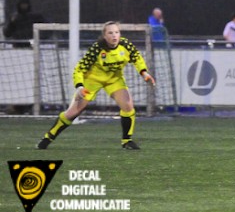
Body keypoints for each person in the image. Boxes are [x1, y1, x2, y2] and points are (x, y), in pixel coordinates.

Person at [36, 21, 156, 150]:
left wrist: (144, 73)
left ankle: (127, 141)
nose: (114, 36)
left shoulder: (125, 45)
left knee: (128, 106)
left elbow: (137, 58)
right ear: (104, 36)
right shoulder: (97, 49)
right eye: (110, 33)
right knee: (73, 113)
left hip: (114, 79)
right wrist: (80, 87)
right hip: (92, 80)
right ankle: (48, 137)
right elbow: (79, 69)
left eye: (116, 32)